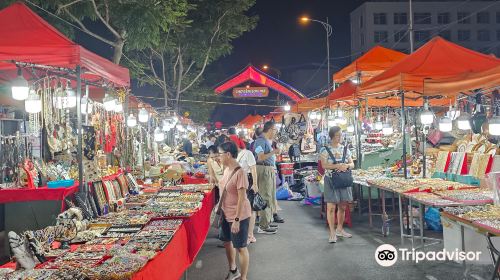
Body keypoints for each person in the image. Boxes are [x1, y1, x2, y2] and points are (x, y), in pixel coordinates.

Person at [218, 141, 252, 280]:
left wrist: (237, 220)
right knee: (227, 242)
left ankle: (243, 277)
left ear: (228, 154)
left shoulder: (240, 173)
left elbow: (242, 199)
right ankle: (233, 270)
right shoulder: (226, 170)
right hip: (225, 213)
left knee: (240, 247)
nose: (218, 157)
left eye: (220, 154)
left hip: (238, 215)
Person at [319, 126, 354, 243]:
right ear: (333, 136)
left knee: (343, 206)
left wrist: (347, 166)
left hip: (343, 180)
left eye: (341, 135)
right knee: (331, 207)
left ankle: (340, 229)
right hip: (330, 180)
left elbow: (352, 163)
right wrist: (338, 166)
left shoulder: (345, 149)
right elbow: (324, 166)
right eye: (338, 135)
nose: (341, 137)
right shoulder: (324, 150)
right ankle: (332, 233)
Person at [253, 121, 280, 234]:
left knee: (270, 196)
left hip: (268, 170)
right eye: (275, 130)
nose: (275, 132)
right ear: (269, 130)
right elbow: (260, 158)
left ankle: (267, 221)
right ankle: (263, 226)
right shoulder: (260, 141)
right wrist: (274, 152)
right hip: (263, 170)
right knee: (265, 196)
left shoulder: (265, 141)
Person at [235, 140, 258, 244]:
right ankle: (241, 233)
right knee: (239, 207)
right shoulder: (233, 154)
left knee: (250, 208)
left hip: (248, 180)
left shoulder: (247, 153)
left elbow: (253, 169)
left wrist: (255, 184)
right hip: (237, 181)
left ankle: (250, 235)